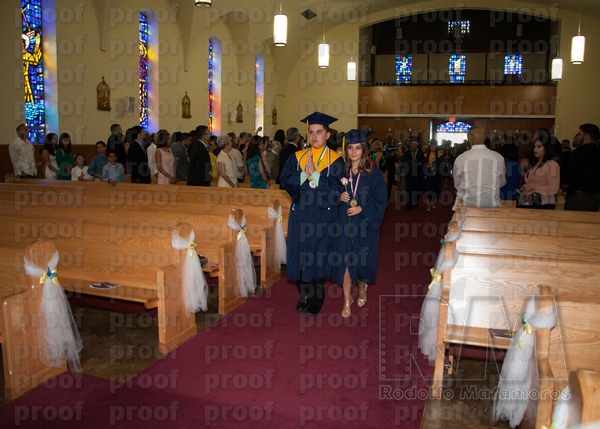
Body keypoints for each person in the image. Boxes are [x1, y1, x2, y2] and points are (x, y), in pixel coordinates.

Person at [280, 111, 345, 316]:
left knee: (318, 258)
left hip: (321, 217)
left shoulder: (335, 161)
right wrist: (303, 175)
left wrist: (315, 175)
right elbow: (284, 180)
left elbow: (337, 191)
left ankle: (317, 297)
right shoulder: (297, 157)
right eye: (310, 132)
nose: (314, 136)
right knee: (299, 256)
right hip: (300, 214)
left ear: (327, 135)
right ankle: (304, 295)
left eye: (319, 132)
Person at [334, 129, 386, 318]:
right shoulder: (341, 172)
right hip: (344, 223)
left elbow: (380, 201)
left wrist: (362, 207)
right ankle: (347, 301)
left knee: (362, 262)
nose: (353, 152)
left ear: (364, 150)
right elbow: (330, 194)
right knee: (346, 263)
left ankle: (362, 288)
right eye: (350, 148)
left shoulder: (374, 175)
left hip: (364, 225)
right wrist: (339, 197)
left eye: (357, 148)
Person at [452, 127, 506, 210]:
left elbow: (457, 183)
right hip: (491, 205)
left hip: (466, 206)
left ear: (469, 139)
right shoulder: (497, 158)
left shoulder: (462, 158)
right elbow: (502, 181)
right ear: (484, 138)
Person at [518, 129, 560, 209]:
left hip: (544, 203)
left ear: (546, 148)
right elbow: (531, 182)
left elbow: (554, 187)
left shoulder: (551, 164)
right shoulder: (534, 164)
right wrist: (524, 187)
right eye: (534, 147)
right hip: (529, 201)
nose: (535, 149)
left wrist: (535, 190)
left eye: (539, 147)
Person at [563, 123, 600, 211]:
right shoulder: (598, 153)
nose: (578, 137)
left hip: (578, 198)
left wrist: (564, 187)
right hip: (594, 199)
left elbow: (568, 175)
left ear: (587, 137)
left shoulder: (578, 153)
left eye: (580, 134)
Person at [400, 136, 425, 209]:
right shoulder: (407, 153)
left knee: (418, 188)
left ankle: (416, 199)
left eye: (415, 143)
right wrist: (411, 162)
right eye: (412, 143)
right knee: (409, 188)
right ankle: (409, 204)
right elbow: (403, 162)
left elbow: (423, 163)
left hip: (418, 173)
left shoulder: (420, 153)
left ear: (417, 144)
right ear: (410, 144)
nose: (414, 145)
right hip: (409, 173)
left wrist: (417, 161)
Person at [422, 141, 442, 211]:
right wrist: (427, 166)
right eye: (431, 146)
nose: (432, 147)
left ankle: (433, 203)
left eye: (433, 146)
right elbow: (423, 164)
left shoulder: (439, 155)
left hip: (436, 175)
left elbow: (441, 165)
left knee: (434, 189)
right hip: (428, 175)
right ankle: (428, 204)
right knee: (427, 189)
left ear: (436, 146)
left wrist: (435, 167)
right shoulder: (425, 155)